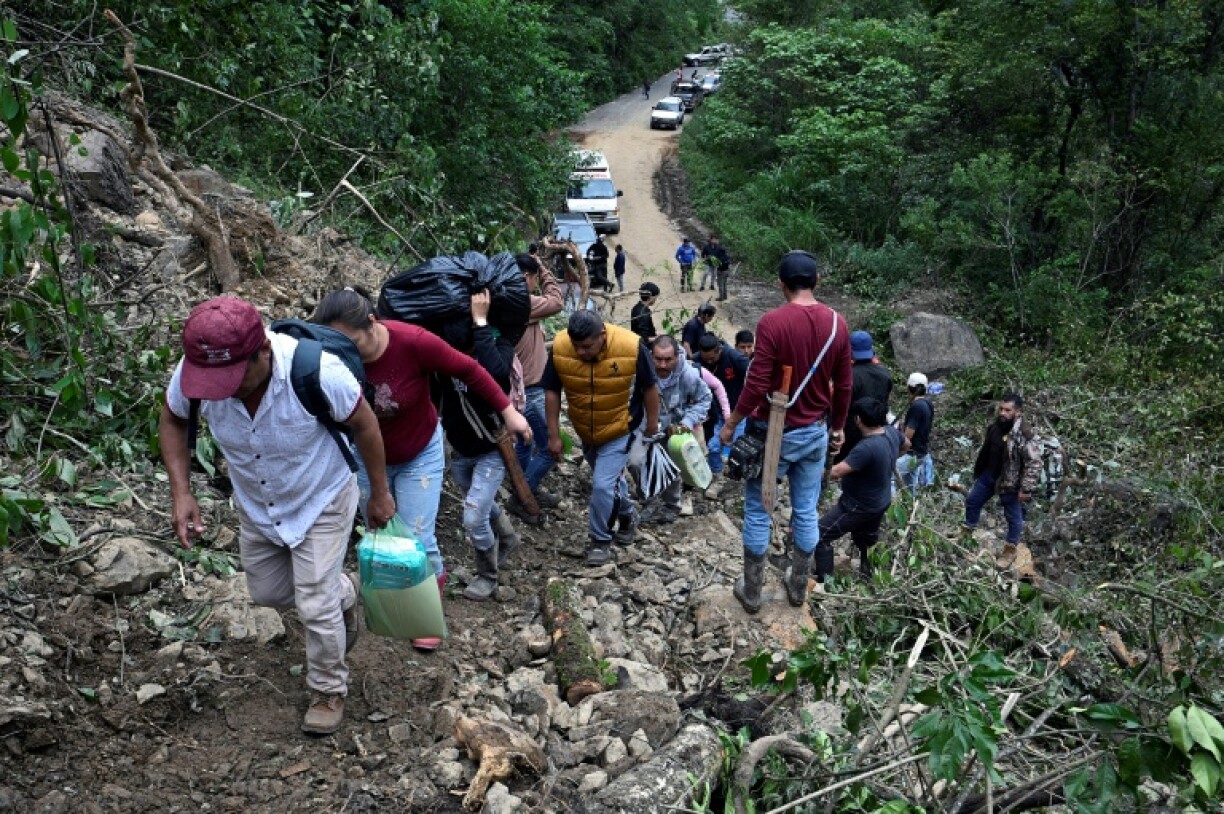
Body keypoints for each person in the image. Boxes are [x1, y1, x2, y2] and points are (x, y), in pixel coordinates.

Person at [159, 296, 395, 735]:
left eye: (235, 377)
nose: (224, 389)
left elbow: (365, 424)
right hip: (259, 504)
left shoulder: (318, 371)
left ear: (263, 350)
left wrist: (378, 493)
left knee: (313, 603)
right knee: (268, 592)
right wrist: (182, 492)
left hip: (321, 494)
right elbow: (173, 420)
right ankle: (344, 592)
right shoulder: (196, 374)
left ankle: (328, 689)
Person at [314, 288, 530, 649]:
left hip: (418, 452)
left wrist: (508, 411)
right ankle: (396, 606)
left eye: (351, 341)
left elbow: (469, 369)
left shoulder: (411, 342)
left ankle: (427, 613)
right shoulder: (333, 357)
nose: (345, 350)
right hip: (369, 457)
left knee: (418, 538)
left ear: (372, 323)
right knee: (381, 536)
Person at [719, 251, 852, 613]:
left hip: (773, 433)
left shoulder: (772, 323)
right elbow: (843, 385)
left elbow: (757, 379)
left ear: (781, 284)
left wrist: (732, 422)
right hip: (815, 431)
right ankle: (797, 588)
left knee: (760, 510)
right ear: (817, 282)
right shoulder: (838, 324)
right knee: (806, 509)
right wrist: (838, 426)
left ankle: (752, 592)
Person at [434, 292, 532, 601]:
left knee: (473, 516)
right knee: (481, 504)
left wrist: (480, 324)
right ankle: (507, 536)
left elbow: (498, 377)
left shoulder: (496, 347)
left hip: (492, 449)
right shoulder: (442, 357)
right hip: (461, 450)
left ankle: (487, 574)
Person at [543, 310, 660, 565]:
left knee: (602, 485)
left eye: (587, 346)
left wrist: (652, 424)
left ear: (603, 335)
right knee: (611, 482)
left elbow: (649, 387)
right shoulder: (561, 347)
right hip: (586, 429)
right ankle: (628, 514)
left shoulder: (630, 346)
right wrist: (553, 435)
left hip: (621, 428)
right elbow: (552, 391)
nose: (581, 353)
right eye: (577, 347)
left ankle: (600, 540)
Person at [815, 398, 903, 586]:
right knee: (867, 541)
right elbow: (908, 443)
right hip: (880, 500)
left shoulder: (867, 447)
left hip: (857, 505)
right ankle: (868, 578)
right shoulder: (891, 433)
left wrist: (808, 471)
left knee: (820, 534)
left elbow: (837, 472)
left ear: (858, 420)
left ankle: (826, 583)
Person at [511, 253, 564, 523]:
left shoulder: (503, 300)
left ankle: (524, 485)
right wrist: (543, 269)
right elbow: (557, 301)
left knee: (524, 444)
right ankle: (523, 495)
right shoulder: (521, 302)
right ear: (527, 278)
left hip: (518, 391)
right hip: (530, 390)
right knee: (551, 448)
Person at [639, 336, 712, 525]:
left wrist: (687, 421)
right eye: (658, 359)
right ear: (651, 356)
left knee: (672, 468)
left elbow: (705, 398)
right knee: (638, 464)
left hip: (675, 430)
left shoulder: (688, 375)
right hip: (646, 427)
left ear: (677, 357)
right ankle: (649, 501)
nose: (662, 365)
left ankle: (671, 505)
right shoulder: (640, 369)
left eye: (668, 360)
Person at [963, 393, 1042, 545]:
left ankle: (1010, 548)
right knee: (972, 501)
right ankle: (967, 535)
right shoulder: (996, 427)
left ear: (1018, 412)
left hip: (1010, 482)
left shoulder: (1024, 434)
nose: (1002, 413)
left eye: (1007, 410)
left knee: (1013, 517)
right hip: (989, 475)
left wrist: (1026, 488)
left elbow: (1034, 463)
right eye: (1001, 409)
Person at [696, 332, 750, 494]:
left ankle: (743, 483)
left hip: (738, 412)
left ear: (718, 350)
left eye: (712, 359)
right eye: (706, 360)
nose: (709, 362)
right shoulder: (697, 361)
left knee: (738, 449)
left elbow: (753, 377)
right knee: (713, 446)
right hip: (715, 412)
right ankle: (717, 477)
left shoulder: (734, 357)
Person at [834, 331, 893, 464]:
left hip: (850, 435)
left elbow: (839, 405)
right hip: (878, 434)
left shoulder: (849, 377)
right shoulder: (885, 375)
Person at [896, 372, 935, 491]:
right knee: (910, 485)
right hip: (921, 453)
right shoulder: (928, 404)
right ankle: (911, 506)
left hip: (912, 454)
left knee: (888, 474)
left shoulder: (916, 407)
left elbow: (907, 436)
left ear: (909, 389)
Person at [700, 234, 731, 299]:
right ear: (710, 240)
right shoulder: (707, 247)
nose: (714, 240)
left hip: (716, 264)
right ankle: (702, 285)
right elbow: (703, 254)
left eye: (715, 239)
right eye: (713, 239)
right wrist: (704, 259)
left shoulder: (718, 248)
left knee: (714, 275)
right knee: (706, 273)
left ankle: (712, 285)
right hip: (708, 263)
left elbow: (722, 255)